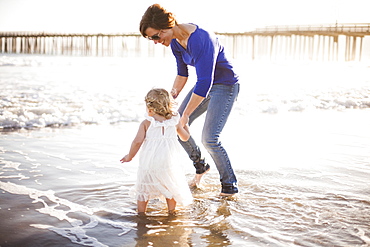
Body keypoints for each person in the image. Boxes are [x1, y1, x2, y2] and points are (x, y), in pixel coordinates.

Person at [139, 4, 240, 196]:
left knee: (210, 139)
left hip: (225, 85)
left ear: (166, 27)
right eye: (151, 38)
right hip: (204, 86)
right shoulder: (176, 42)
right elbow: (182, 74)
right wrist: (169, 99)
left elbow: (205, 81)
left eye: (155, 37)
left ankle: (230, 187)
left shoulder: (201, 39)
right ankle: (201, 165)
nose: (155, 42)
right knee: (174, 123)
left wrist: (185, 115)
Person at [120, 88, 193, 215]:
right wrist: (186, 125)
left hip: (150, 162)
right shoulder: (174, 121)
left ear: (149, 106)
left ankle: (141, 213)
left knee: (144, 187)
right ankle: (171, 212)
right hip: (168, 161)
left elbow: (137, 141)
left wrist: (129, 156)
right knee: (169, 185)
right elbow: (185, 137)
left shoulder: (147, 123)